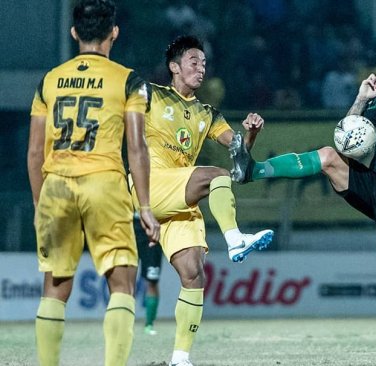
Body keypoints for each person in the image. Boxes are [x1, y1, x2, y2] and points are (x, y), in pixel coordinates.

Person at [233, 45, 376, 366]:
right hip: (371, 183)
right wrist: (361, 98)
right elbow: (347, 133)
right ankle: (253, 170)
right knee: (330, 156)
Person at [27, 1, 160, 365]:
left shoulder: (49, 81)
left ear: (74, 33)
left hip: (56, 184)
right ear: (113, 33)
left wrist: (41, 205)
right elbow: (137, 146)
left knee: (55, 285)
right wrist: (145, 207)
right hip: (104, 182)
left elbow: (35, 153)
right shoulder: (129, 80)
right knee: (121, 282)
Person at [135, 35, 274, 366]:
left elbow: (239, 159)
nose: (202, 68)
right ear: (174, 67)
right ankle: (234, 238)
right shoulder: (152, 95)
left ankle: (180, 358)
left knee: (193, 273)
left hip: (180, 196)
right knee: (215, 175)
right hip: (152, 186)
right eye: (194, 62)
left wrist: (250, 134)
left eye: (205, 63)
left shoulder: (207, 113)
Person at [134, 212, 163, 335]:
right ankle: (124, 324)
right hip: (130, 225)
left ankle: (149, 324)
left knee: (152, 280)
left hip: (152, 226)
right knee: (125, 279)